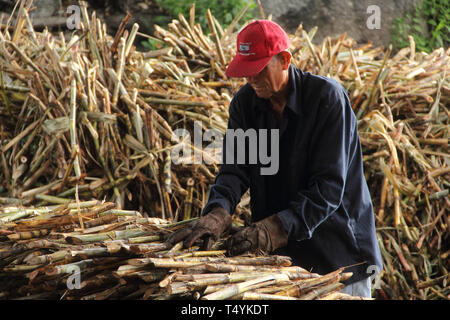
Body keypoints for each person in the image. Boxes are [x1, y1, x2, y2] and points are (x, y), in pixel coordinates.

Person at [167, 20, 383, 298]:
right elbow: (235, 170)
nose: (251, 79)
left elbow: (328, 188)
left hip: (338, 258)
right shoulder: (246, 104)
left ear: (284, 60)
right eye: (245, 72)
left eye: (258, 70)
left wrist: (273, 229)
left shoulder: (326, 99)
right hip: (281, 261)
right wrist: (217, 213)